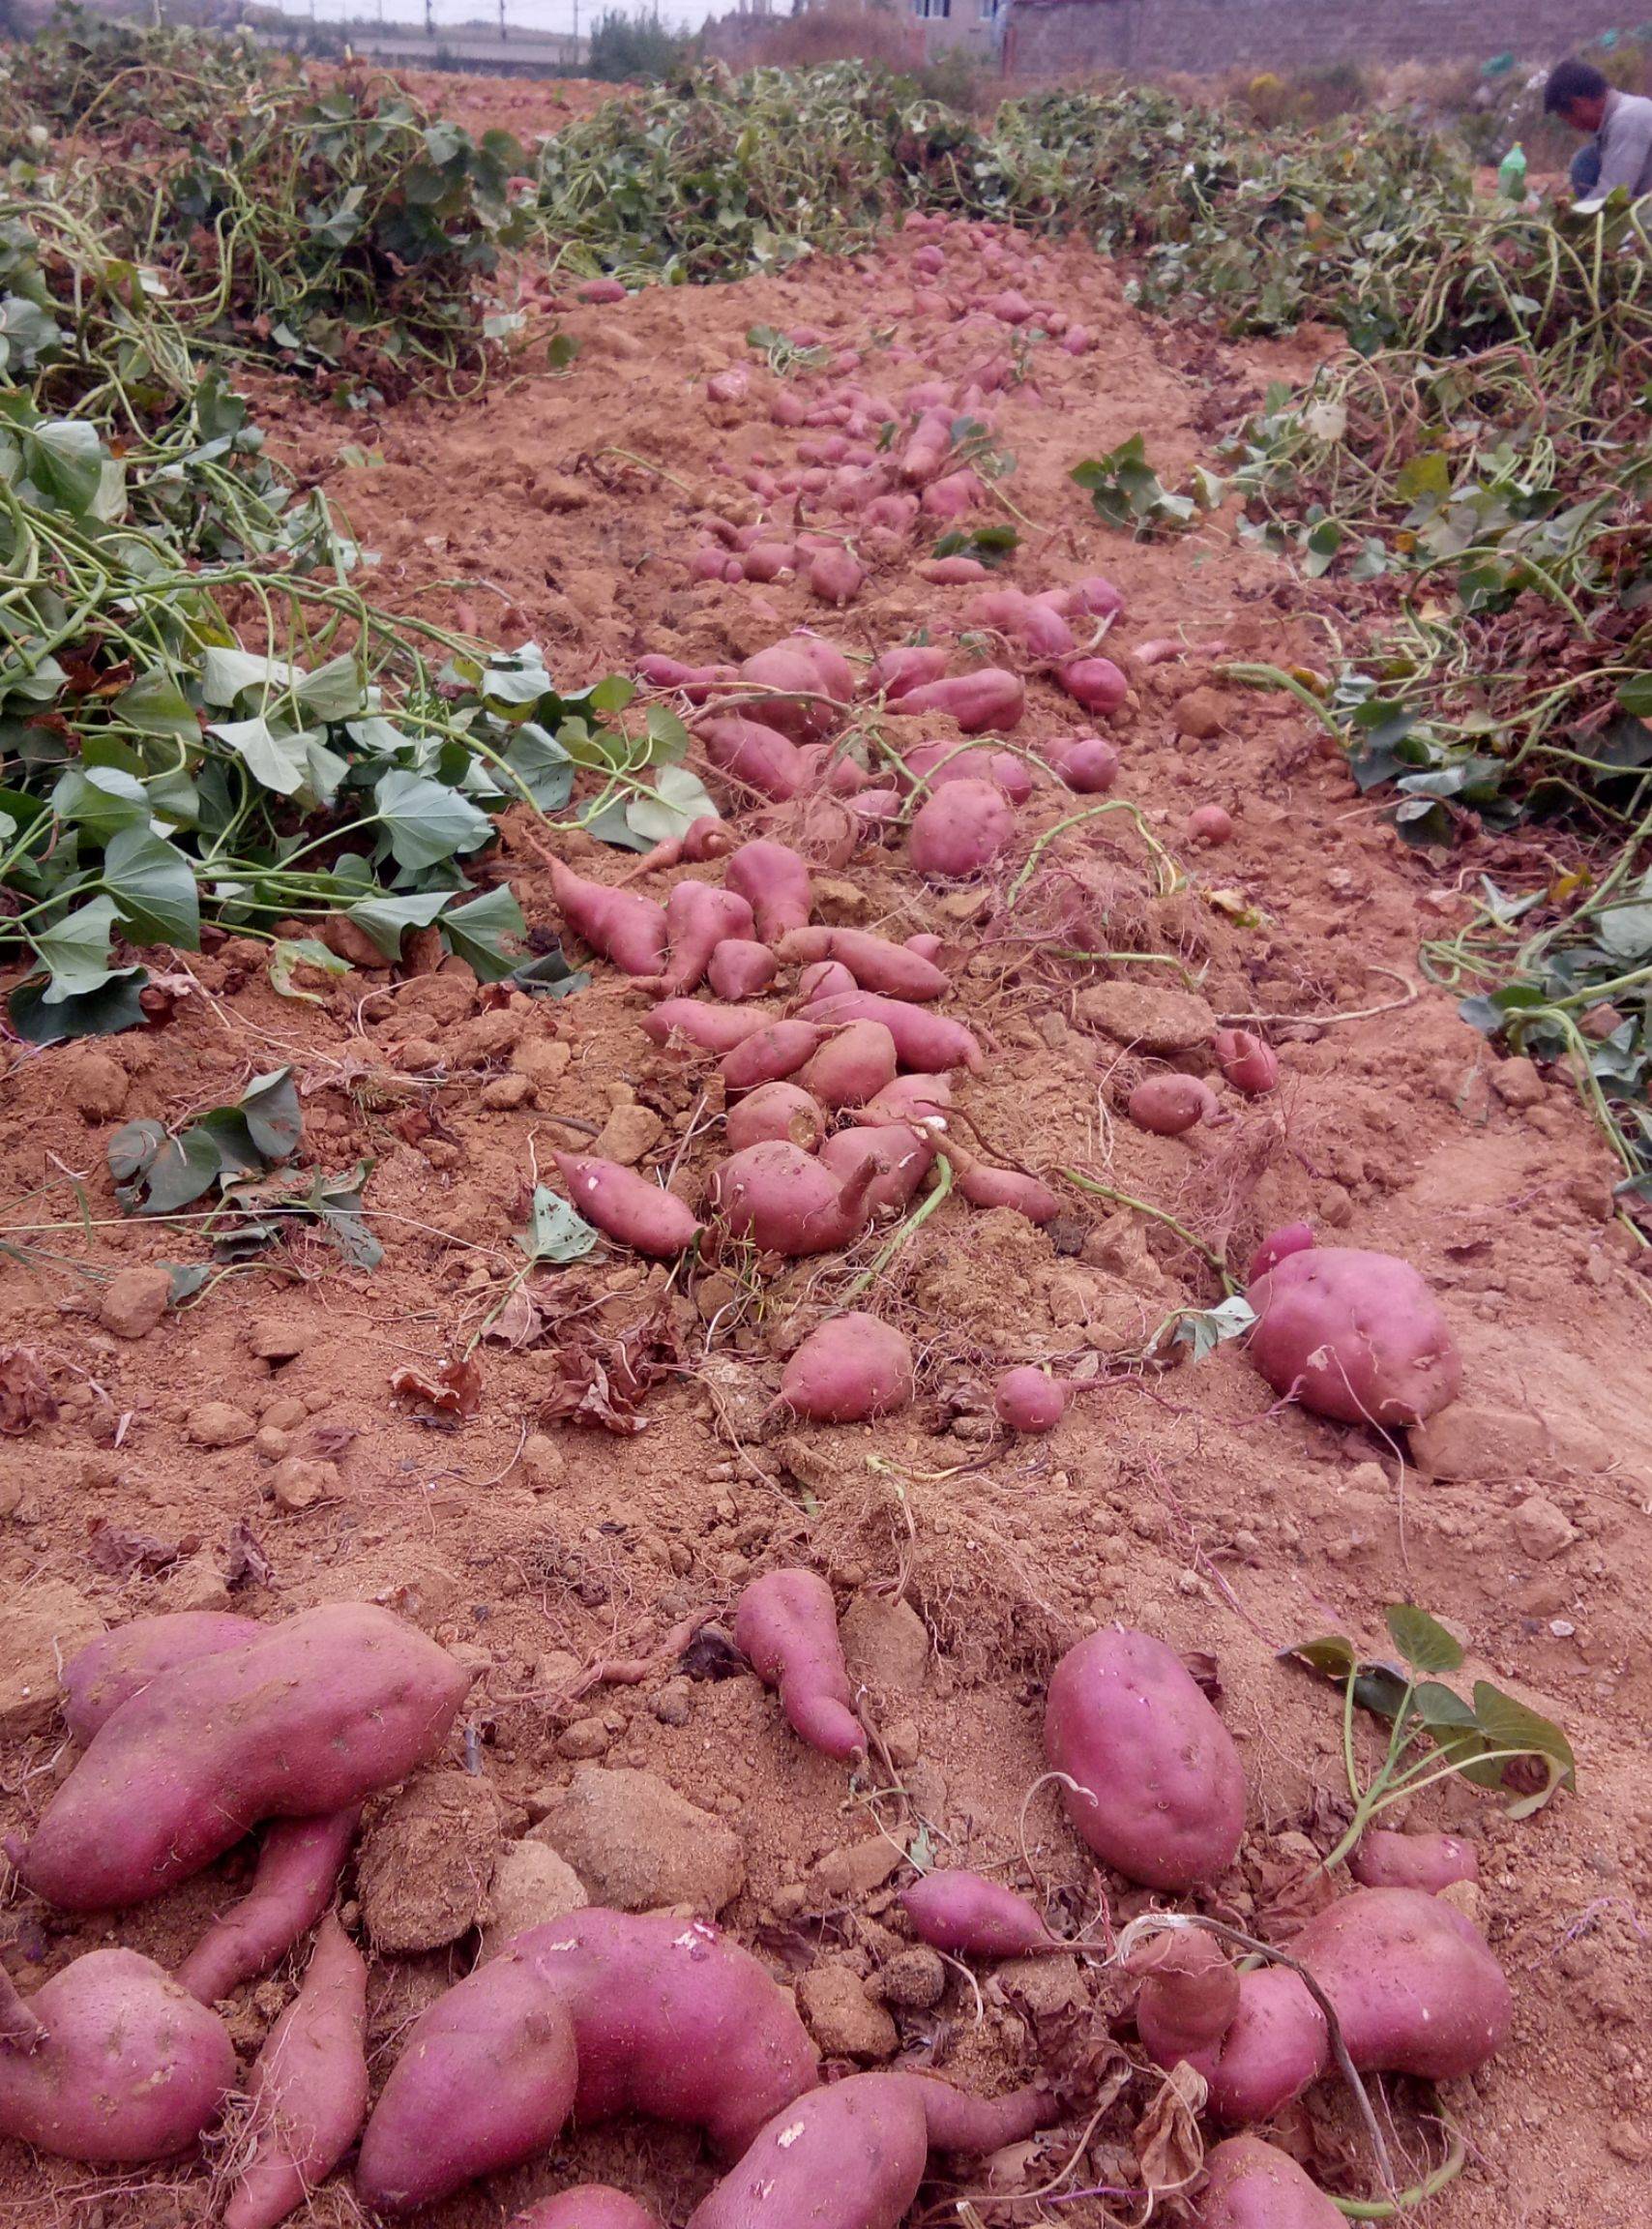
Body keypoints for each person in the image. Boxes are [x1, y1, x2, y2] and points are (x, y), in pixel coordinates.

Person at [1543, 56, 1652, 206]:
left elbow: (1613, 194)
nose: (1573, 126)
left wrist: (1568, 219)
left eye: (1567, 118)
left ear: (1579, 104)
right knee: (1586, 160)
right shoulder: (1617, 119)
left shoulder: (1628, 120)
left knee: (1585, 164)